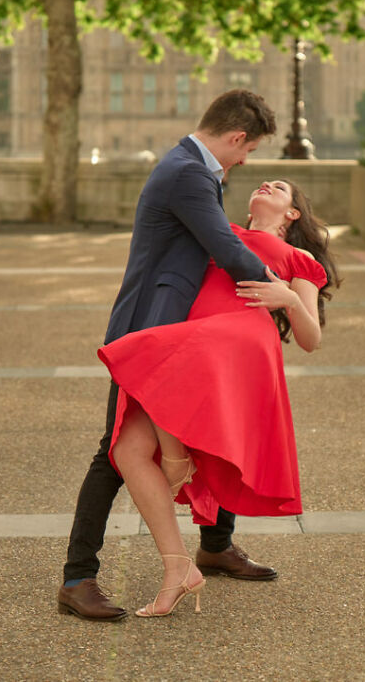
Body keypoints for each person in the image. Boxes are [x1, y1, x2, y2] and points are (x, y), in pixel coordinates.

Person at [58, 89, 277, 621]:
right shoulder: (187, 173)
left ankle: (214, 545)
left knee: (212, 428)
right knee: (114, 452)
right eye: (247, 151)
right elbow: (224, 248)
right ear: (236, 137)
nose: (245, 162)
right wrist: (281, 290)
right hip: (148, 333)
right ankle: (76, 578)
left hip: (172, 331)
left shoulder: (193, 169)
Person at [98, 179, 338, 617]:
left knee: (149, 352)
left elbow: (311, 340)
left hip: (236, 342)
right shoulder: (218, 232)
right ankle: (178, 569)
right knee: (128, 451)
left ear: (292, 214)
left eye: (279, 187)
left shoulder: (299, 259)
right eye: (264, 182)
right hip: (192, 338)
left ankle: (176, 460)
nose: (267, 185)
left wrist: (288, 298)